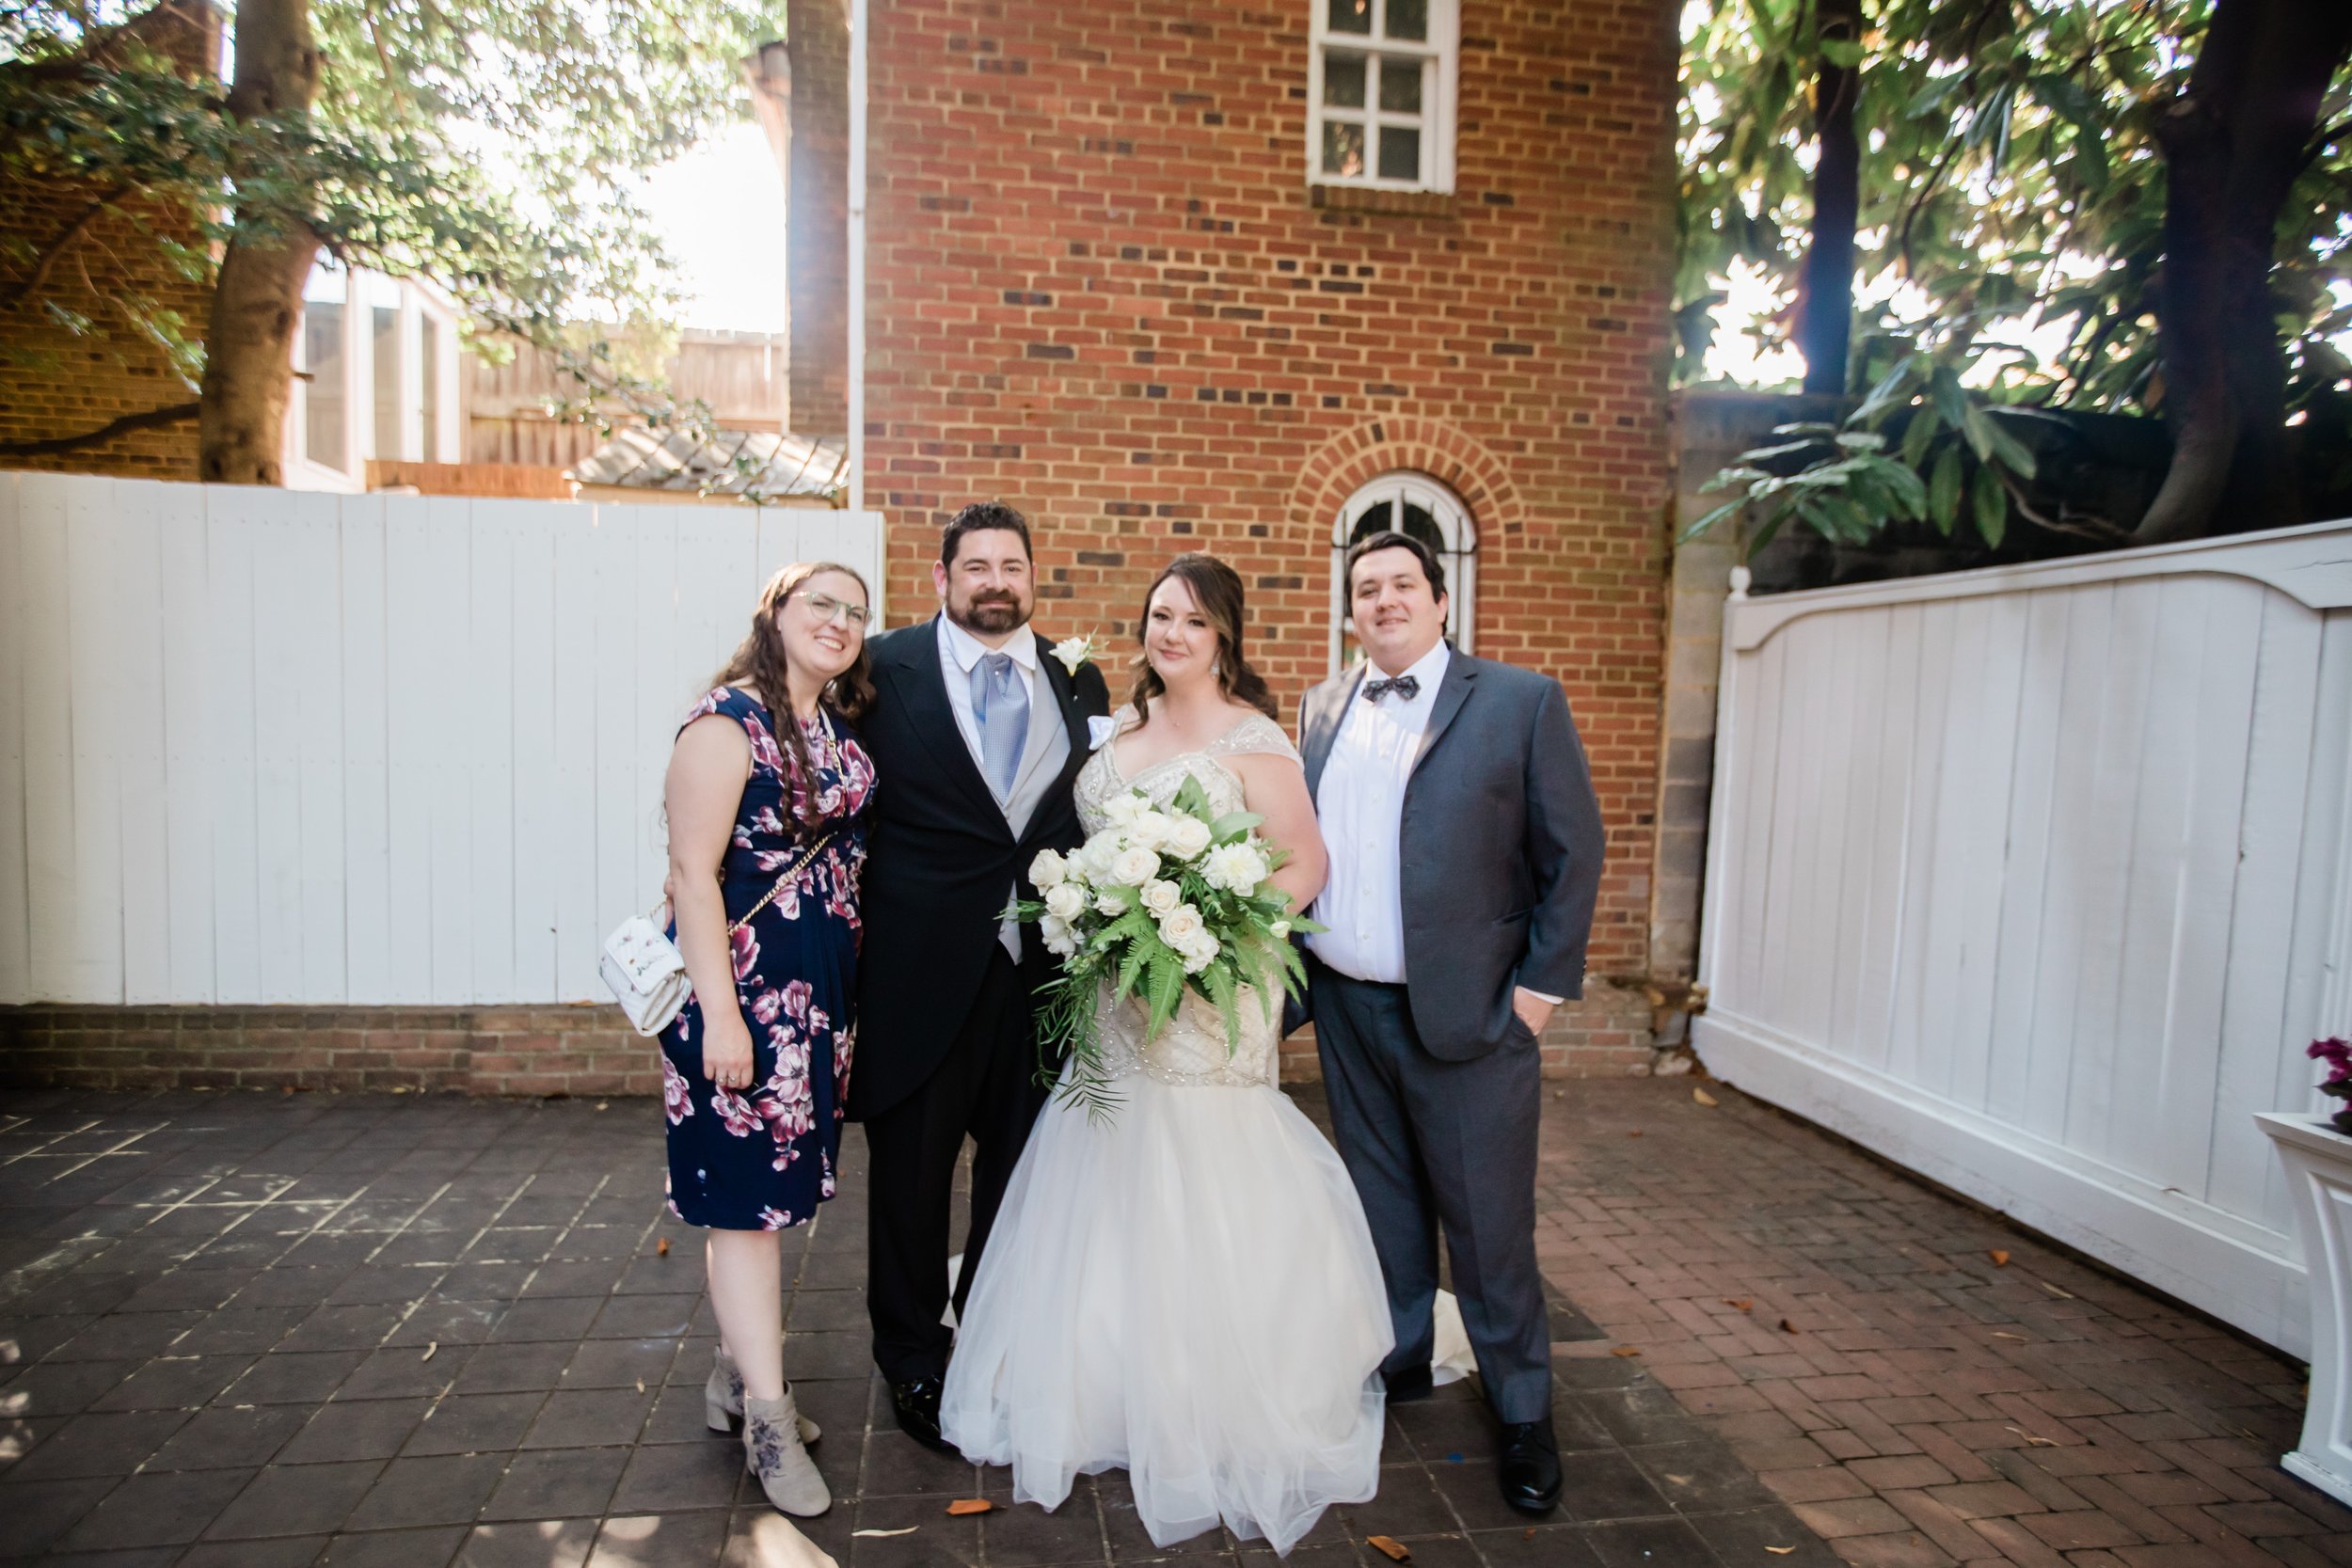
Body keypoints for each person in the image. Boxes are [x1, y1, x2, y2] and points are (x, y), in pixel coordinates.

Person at [941, 553, 1392, 1555]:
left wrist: (1211, 937)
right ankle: (1106, 1384)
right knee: (1109, 1161)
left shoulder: (1252, 736)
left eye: (1191, 619)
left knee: (1203, 1167)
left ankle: (1210, 1392)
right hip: (1117, 992)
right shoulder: (1119, 732)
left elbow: (1306, 863)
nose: (1171, 633)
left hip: (1210, 993)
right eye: (1158, 616)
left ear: (1224, 631)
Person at [1297, 530, 1606, 1518]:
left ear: (1440, 600)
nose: (1383, 600)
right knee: (1381, 1206)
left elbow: (1575, 849)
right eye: (1365, 588)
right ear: (1350, 612)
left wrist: (1538, 992)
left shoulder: (1519, 701)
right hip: (1348, 1006)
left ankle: (1521, 1405)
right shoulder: (1321, 707)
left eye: (1402, 585)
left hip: (1473, 1012)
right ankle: (1401, 1358)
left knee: (1486, 1225)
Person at [848, 501, 1111, 1449]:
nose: (995, 580)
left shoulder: (1078, 677)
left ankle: (994, 1337)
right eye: (976, 565)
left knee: (1018, 1176)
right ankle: (912, 1358)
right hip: (917, 975)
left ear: (1033, 577)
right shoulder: (882, 669)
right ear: (944, 578)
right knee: (910, 1186)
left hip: (1039, 977)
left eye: (1011, 565)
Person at [660, 562, 879, 1520]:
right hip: (739, 1001)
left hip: (811, 1006)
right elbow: (692, 875)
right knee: (744, 1211)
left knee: (773, 1199)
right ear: (775, 614)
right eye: (820, 602)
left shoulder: (830, 723)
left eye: (856, 611)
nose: (839, 620)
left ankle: (732, 1371)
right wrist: (718, 1014)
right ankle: (768, 1416)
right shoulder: (726, 722)